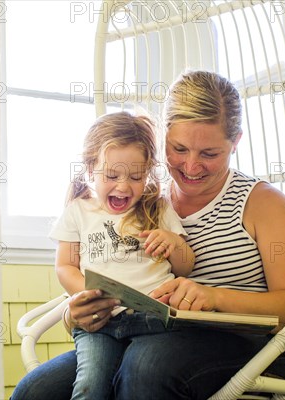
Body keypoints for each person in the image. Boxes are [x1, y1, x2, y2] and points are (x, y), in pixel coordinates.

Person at [11, 70, 285, 400]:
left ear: (236, 142)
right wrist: (78, 313)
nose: (191, 166)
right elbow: (101, 269)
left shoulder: (263, 203)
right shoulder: (142, 200)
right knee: (37, 390)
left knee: (146, 369)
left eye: (210, 154)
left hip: (251, 346)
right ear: (163, 138)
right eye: (179, 148)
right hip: (145, 334)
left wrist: (214, 298)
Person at [50, 111, 195, 400]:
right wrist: (87, 295)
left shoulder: (157, 209)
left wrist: (172, 244)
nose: (123, 186)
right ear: (91, 170)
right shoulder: (78, 211)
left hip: (153, 319)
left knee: (141, 378)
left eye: (136, 176)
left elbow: (186, 267)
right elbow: (65, 265)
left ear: (148, 173)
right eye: (112, 175)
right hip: (100, 323)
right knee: (90, 386)